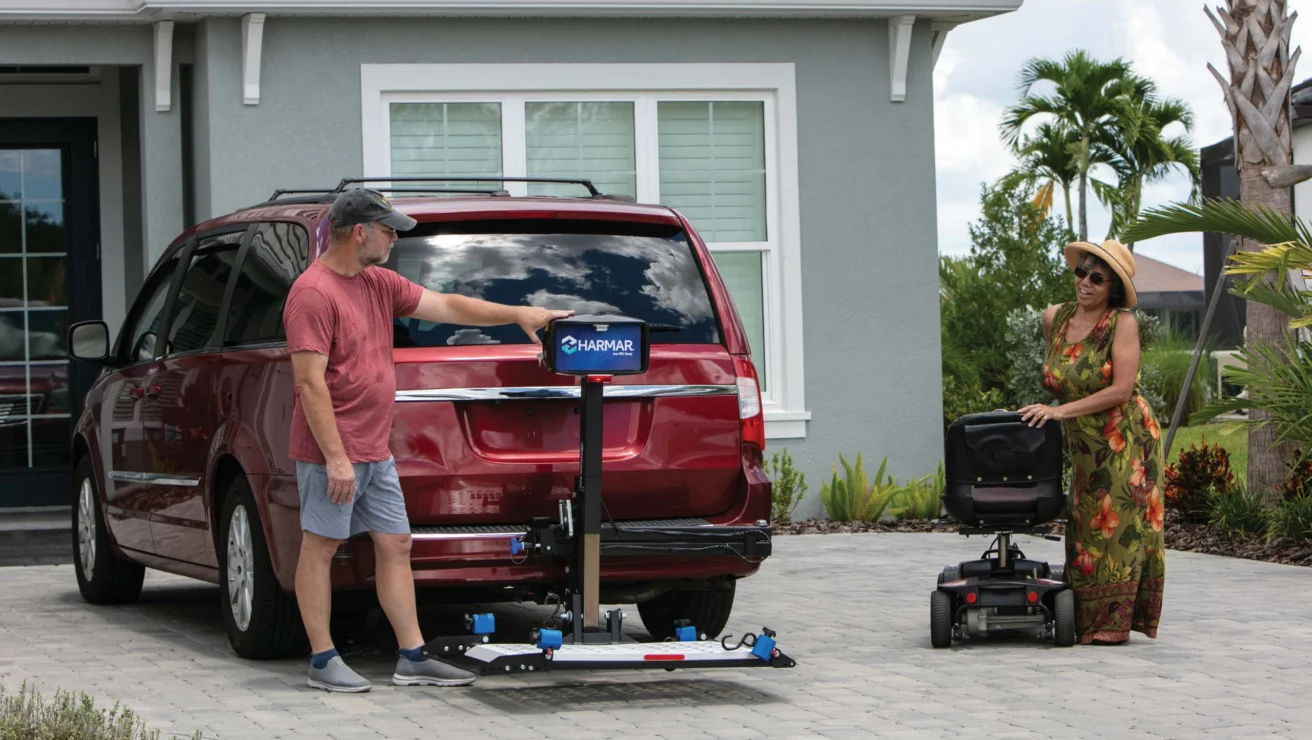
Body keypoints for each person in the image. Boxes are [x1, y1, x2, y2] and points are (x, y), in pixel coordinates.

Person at [283, 189, 572, 692]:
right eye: (389, 229)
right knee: (322, 545)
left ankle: (412, 657)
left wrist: (518, 314)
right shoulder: (313, 294)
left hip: (375, 448)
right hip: (335, 452)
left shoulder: (376, 283)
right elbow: (308, 383)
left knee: (395, 544)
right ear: (360, 233)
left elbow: (447, 305)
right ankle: (322, 660)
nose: (395, 237)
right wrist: (336, 459)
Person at [1018, 238, 1165, 645]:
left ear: (1111, 288)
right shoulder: (1055, 318)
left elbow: (1121, 390)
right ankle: (1084, 618)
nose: (1084, 282)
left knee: (1115, 530)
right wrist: (1038, 413)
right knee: (1083, 526)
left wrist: (1059, 412)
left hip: (1125, 438)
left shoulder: (1122, 323)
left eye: (1096, 278)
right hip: (1083, 441)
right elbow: (1065, 380)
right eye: (1080, 272)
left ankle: (1112, 626)